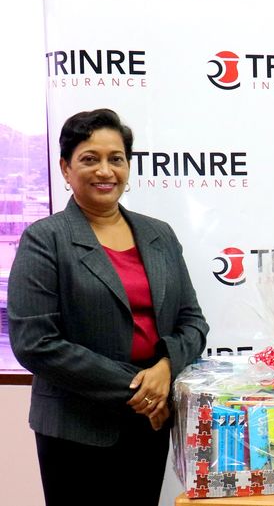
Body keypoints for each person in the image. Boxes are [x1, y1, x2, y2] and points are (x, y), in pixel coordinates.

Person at [9, 109, 209, 506]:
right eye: (90, 159)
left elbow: (193, 322)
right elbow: (35, 342)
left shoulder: (158, 234)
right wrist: (141, 388)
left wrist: (165, 369)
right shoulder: (45, 239)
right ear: (65, 168)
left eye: (116, 158)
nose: (105, 170)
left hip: (150, 423)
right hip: (76, 428)